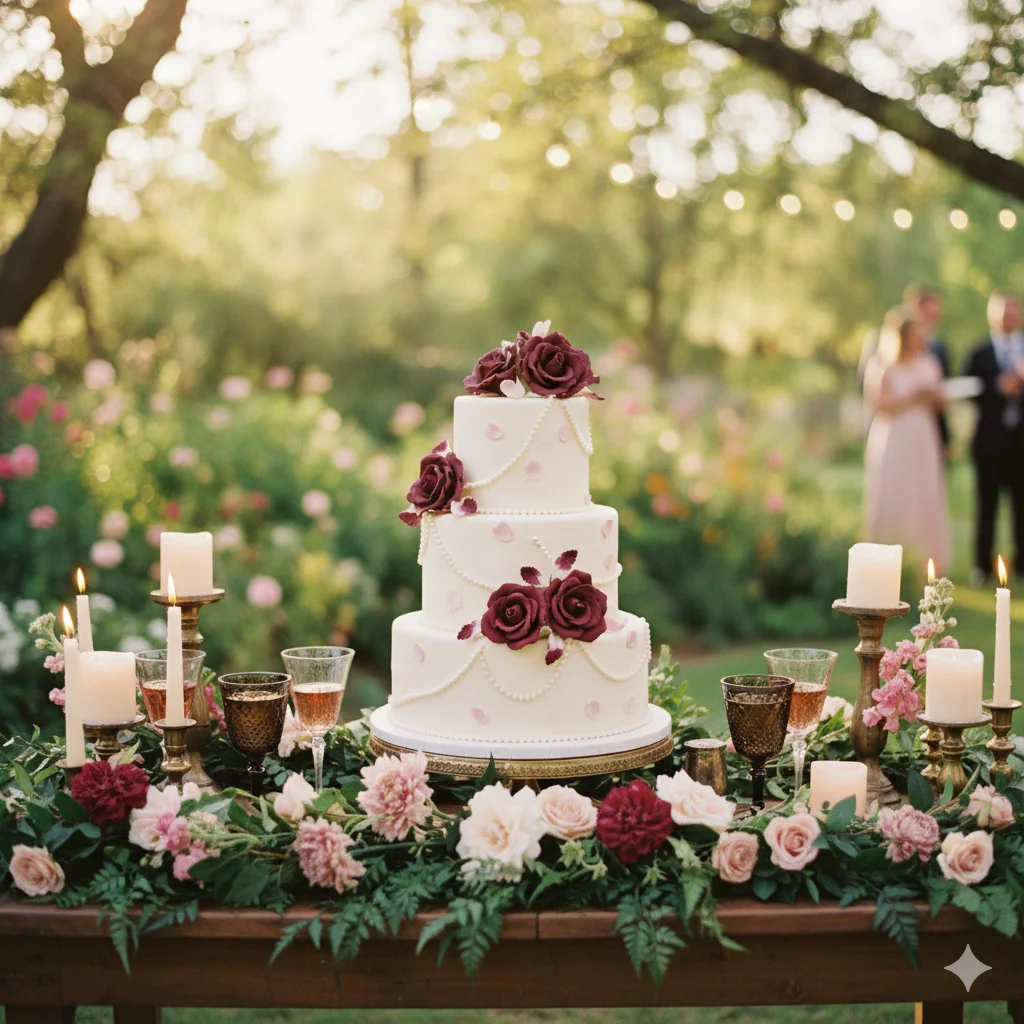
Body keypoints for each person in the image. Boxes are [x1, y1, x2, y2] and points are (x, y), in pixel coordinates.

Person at [863, 309, 950, 572]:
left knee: (923, 491)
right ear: (901, 337)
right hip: (894, 436)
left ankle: (926, 559)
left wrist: (936, 399)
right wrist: (914, 395)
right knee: (894, 491)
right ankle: (886, 553)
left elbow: (940, 402)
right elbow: (879, 404)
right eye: (915, 334)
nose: (920, 339)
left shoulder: (930, 363)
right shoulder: (882, 365)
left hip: (923, 436)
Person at [965, 290, 1024, 584]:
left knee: (1022, 507)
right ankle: (981, 566)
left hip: (1021, 444)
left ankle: (1022, 563)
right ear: (992, 315)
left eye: (1013, 311)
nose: (1008, 316)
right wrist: (998, 387)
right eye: (1003, 311)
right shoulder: (979, 353)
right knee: (986, 506)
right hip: (989, 443)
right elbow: (970, 392)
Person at [905, 284, 950, 458]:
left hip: (931, 427)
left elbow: (944, 386)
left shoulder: (940, 348)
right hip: (900, 428)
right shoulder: (881, 343)